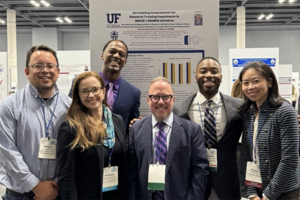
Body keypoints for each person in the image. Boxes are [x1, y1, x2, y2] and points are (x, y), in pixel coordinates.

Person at [0, 45, 71, 200]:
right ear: (27, 71)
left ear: (58, 72)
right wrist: (34, 185)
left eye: (50, 66)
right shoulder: (9, 105)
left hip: (59, 192)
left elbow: (75, 150)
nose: (45, 70)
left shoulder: (71, 107)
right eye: (38, 66)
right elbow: (6, 151)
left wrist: (57, 184)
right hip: (20, 195)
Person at [173, 56, 243, 200]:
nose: (209, 75)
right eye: (203, 71)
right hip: (193, 181)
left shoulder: (239, 106)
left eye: (214, 71)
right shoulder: (179, 110)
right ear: (196, 77)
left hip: (228, 181)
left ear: (221, 77)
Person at [129, 77, 209, 200]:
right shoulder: (136, 129)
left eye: (166, 97)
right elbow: (131, 171)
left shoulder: (192, 130)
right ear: (148, 100)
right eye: (156, 97)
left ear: (173, 100)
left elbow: (200, 170)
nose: (161, 102)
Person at [56, 71, 128, 200]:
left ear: (103, 91)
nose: (91, 95)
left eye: (95, 89)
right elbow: (66, 178)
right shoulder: (71, 128)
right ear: (78, 95)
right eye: (84, 91)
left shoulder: (117, 121)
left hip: (116, 194)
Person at [238, 61, 300, 200]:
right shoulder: (248, 114)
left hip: (285, 192)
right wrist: (252, 193)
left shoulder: (284, 111)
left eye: (255, 81)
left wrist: (268, 196)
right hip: (258, 190)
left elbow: (290, 159)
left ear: (269, 82)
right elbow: (246, 156)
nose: (250, 87)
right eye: (245, 83)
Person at [68, 40, 140, 135]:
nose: (116, 56)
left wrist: (138, 124)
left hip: (118, 148)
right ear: (102, 55)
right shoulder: (81, 84)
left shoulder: (133, 93)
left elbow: (130, 129)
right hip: (85, 144)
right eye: (112, 51)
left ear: (125, 62)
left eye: (121, 54)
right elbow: (71, 113)